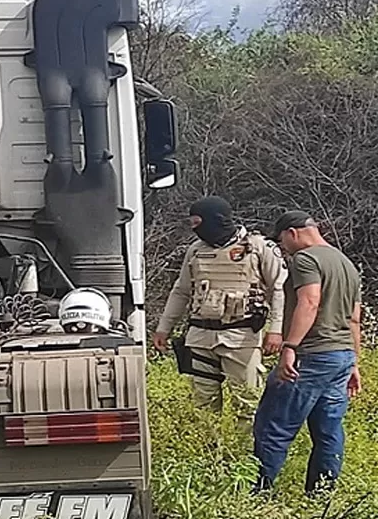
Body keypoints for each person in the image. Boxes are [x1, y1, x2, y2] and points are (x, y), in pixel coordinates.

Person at [253, 211, 363, 494]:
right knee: (328, 430)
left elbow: (310, 301)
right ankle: (321, 494)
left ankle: (258, 491)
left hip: (311, 355)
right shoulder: (345, 263)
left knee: (274, 424)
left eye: (281, 242)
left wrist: (290, 347)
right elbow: (354, 318)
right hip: (340, 356)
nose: (283, 249)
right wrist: (353, 363)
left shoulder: (306, 259)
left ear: (293, 233)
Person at [152, 196, 287, 424]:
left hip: (241, 336)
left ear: (217, 219)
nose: (196, 229)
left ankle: (244, 456)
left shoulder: (259, 247)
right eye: (192, 224)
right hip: (200, 336)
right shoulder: (195, 251)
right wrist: (164, 328)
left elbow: (279, 289)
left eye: (198, 223)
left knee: (247, 401)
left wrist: (276, 330)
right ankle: (209, 453)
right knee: (203, 404)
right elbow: (181, 290)